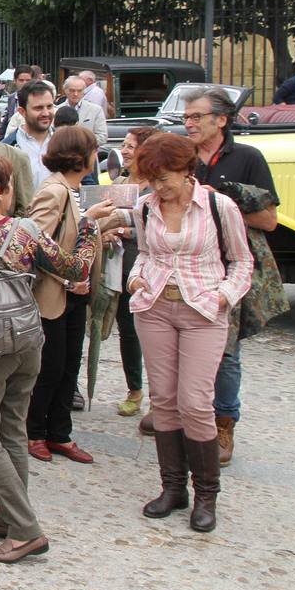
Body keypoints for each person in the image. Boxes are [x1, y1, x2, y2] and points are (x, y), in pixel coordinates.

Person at [0, 154, 106, 563]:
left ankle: (25, 529)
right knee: (12, 426)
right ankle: (9, 514)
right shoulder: (27, 231)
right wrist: (87, 229)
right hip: (29, 340)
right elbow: (75, 268)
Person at [129, 133, 251, 533]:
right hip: (155, 308)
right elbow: (146, 253)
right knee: (164, 400)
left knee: (195, 402)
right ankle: (172, 488)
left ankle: (207, 496)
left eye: (165, 178)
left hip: (203, 310)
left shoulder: (219, 207)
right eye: (152, 179)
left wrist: (223, 297)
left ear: (187, 171)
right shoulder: (146, 208)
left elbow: (241, 261)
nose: (159, 187)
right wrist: (135, 280)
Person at [183, 85, 278, 465]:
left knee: (226, 352)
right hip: (186, 262)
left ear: (221, 120)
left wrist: (217, 202)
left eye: (196, 117)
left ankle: (224, 423)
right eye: (185, 117)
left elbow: (268, 220)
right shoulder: (182, 155)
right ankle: (177, 412)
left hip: (229, 267)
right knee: (177, 342)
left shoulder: (248, 158)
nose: (188, 124)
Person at [24, 125, 112, 464]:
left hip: (76, 294)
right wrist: (65, 279)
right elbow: (36, 243)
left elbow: (72, 235)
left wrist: (98, 223)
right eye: (93, 150)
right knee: (51, 368)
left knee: (69, 367)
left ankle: (60, 433)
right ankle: (35, 433)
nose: (97, 156)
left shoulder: (74, 191)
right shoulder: (54, 191)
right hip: (54, 293)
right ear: (81, 156)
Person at [113, 127, 160, 417]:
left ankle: (160, 397)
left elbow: (156, 229)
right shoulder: (119, 181)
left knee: (153, 333)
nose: (126, 151)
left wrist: (125, 230)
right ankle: (135, 388)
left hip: (146, 266)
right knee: (127, 331)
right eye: (125, 145)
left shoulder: (156, 187)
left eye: (132, 146)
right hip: (117, 265)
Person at [4, 80, 56, 189]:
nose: (46, 113)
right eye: (38, 108)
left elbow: (88, 184)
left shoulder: (68, 143)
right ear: (22, 112)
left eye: (49, 106)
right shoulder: (7, 148)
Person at [61, 75, 109, 143]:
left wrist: (80, 141)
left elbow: (102, 137)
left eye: (79, 91)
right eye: (72, 90)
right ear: (65, 90)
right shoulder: (56, 110)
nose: (75, 94)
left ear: (84, 91)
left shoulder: (96, 110)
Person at [0, 66, 35, 139]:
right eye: (21, 80)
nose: (25, 83)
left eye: (28, 80)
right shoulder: (11, 98)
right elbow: (6, 121)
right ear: (15, 80)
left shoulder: (37, 99)